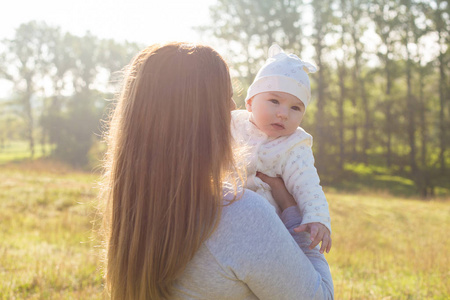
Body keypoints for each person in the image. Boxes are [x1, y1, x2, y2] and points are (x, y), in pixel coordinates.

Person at [101, 42, 333, 299]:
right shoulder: (240, 214)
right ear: (202, 118)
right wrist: (291, 209)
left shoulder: (137, 218)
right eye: (226, 98)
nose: (234, 108)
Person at [231, 44, 332, 253]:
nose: (283, 113)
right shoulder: (233, 123)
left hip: (268, 228)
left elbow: (308, 184)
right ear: (250, 102)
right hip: (224, 214)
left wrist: (318, 218)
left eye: (295, 107)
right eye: (274, 101)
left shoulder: (294, 145)